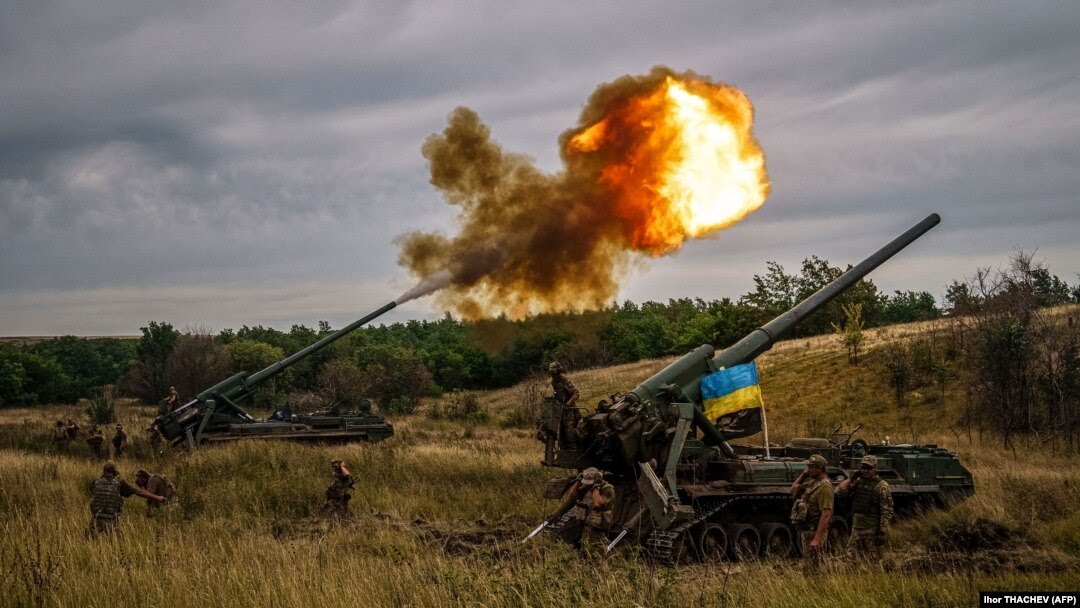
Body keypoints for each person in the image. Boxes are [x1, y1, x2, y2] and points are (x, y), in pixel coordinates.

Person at [837, 454, 894, 561]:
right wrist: (852, 477)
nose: (865, 471)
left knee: (873, 562)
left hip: (871, 531)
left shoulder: (881, 486)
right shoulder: (858, 482)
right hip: (856, 530)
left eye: (868, 468)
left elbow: (886, 511)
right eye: (863, 468)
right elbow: (840, 490)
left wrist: (882, 531)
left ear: (875, 468)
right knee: (850, 560)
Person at [546, 467, 616, 553]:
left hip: (598, 524)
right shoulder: (588, 487)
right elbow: (572, 497)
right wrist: (578, 482)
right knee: (583, 546)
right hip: (587, 522)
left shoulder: (607, 489)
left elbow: (597, 504)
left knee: (597, 548)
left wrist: (596, 486)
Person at [87, 461, 165, 536]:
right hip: (111, 519)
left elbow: (92, 498)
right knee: (119, 544)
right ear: (114, 472)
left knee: (88, 539)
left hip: (96, 518)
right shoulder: (119, 484)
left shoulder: (96, 482)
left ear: (104, 471)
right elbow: (139, 493)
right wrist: (157, 497)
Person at [790, 453, 834, 564]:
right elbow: (793, 490)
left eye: (811, 467)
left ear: (820, 468)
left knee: (813, 567)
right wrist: (803, 476)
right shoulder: (813, 483)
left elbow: (826, 514)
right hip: (808, 530)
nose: (808, 470)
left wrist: (817, 539)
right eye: (808, 467)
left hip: (814, 530)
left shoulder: (825, 487)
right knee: (809, 564)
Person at [548, 362, 581, 449]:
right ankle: (564, 455)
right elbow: (557, 394)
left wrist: (568, 404)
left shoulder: (565, 380)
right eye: (551, 373)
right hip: (561, 410)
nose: (552, 375)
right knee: (561, 436)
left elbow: (576, 393)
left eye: (554, 373)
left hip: (570, 410)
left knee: (570, 434)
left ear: (558, 372)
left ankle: (574, 454)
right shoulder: (553, 382)